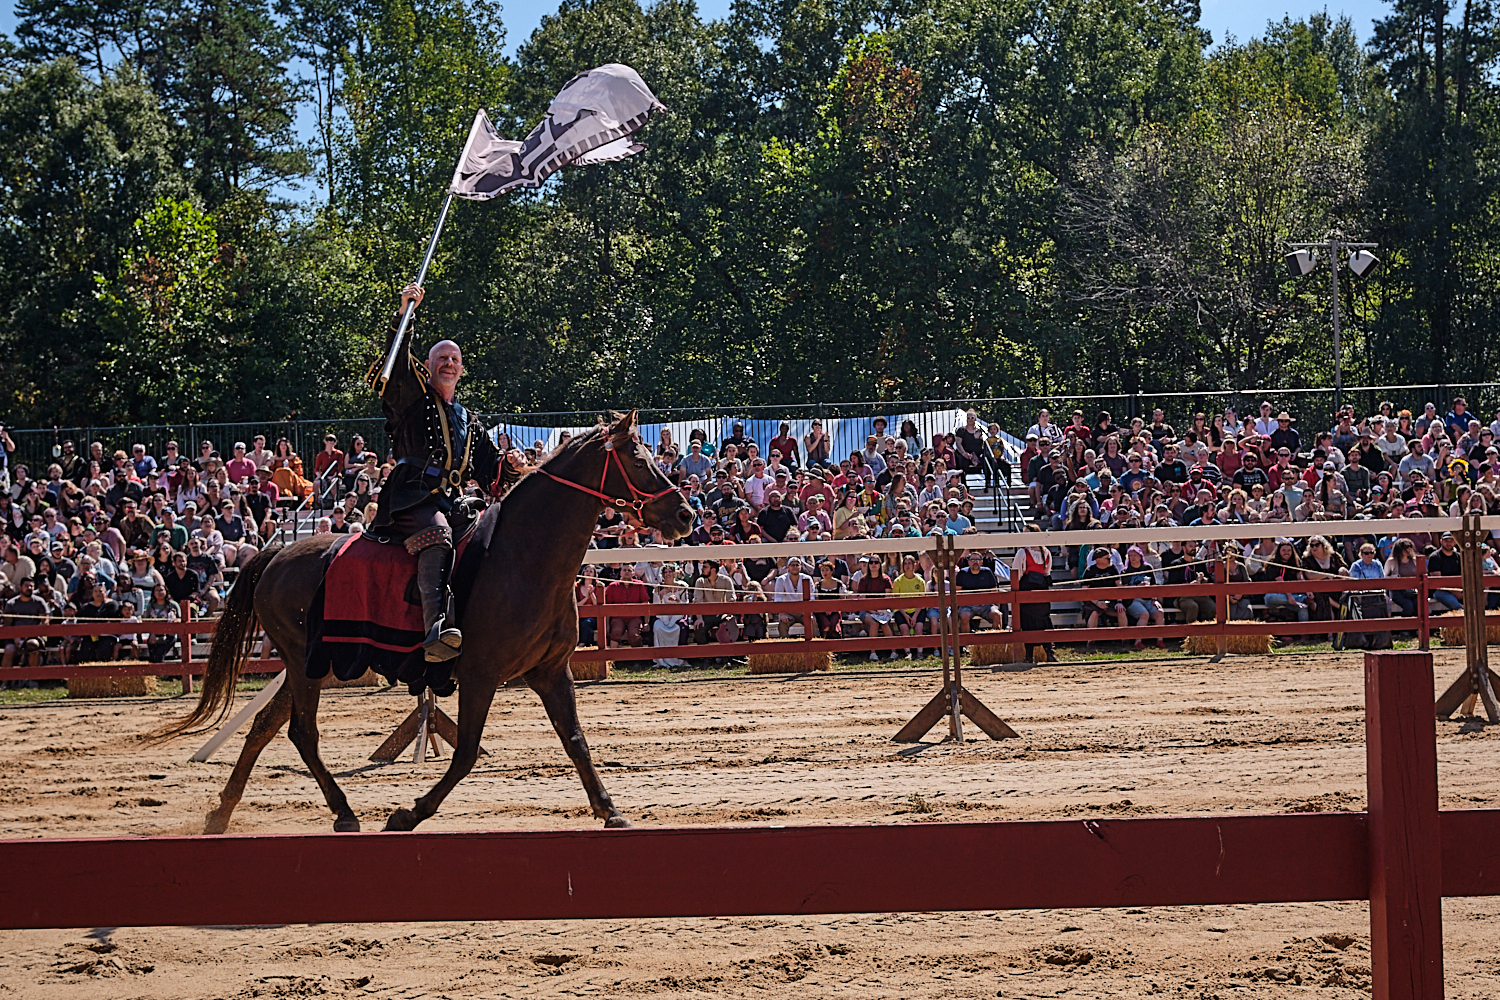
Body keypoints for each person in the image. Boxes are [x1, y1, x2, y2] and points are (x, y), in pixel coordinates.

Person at [368, 283, 509, 662]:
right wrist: (405, 314)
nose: (448, 363)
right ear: (428, 366)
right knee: (438, 535)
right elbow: (396, 363)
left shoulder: (469, 419)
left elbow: (492, 468)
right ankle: (437, 629)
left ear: (461, 369)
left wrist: (513, 466)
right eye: (441, 358)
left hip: (454, 500)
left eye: (454, 359)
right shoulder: (411, 399)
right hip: (412, 496)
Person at [1121, 546, 1168, 650]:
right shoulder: (1125, 571)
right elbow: (1124, 589)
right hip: (1133, 600)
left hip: (1148, 599)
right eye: (1130, 556)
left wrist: (1154, 599)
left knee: (1160, 613)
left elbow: (1154, 585)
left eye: (1135, 555)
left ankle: (1160, 640)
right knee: (1144, 614)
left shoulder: (1147, 568)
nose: (1133, 558)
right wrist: (1137, 587)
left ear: (1140, 556)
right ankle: (1138, 641)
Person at [855, 555, 899, 661]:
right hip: (866, 610)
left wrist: (880, 610)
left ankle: (894, 652)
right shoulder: (863, 580)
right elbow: (862, 600)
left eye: (876, 562)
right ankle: (873, 653)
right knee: (874, 623)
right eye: (871, 562)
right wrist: (872, 611)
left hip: (882, 609)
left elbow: (887, 598)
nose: (873, 564)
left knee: (884, 624)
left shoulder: (886, 579)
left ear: (880, 565)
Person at [954, 550, 1003, 641]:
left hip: (986, 606)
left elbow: (994, 590)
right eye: (972, 559)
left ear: (982, 562)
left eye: (978, 559)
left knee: (997, 615)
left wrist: (997, 606)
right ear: (968, 562)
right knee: (964, 616)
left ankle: (995, 642)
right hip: (967, 606)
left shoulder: (987, 572)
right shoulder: (962, 573)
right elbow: (957, 592)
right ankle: (966, 643)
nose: (975, 562)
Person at [2, 577, 49, 669]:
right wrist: (16, 638)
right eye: (26, 586)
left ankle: (32, 675)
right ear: (20, 587)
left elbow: (45, 622)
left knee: (33, 645)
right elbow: (8, 625)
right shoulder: (11, 603)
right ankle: (5, 677)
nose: (29, 588)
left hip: (34, 636)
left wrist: (34, 634)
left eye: (31, 586)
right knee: (9, 650)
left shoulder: (39, 602)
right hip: (15, 636)